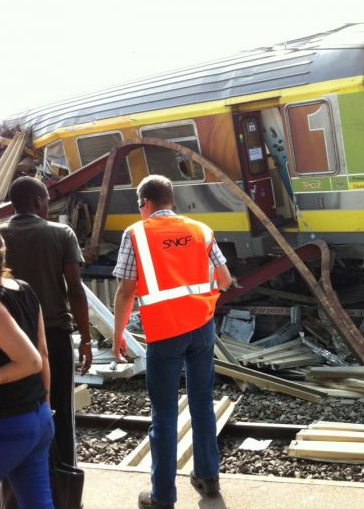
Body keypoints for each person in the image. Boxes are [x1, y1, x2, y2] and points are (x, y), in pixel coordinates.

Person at [112, 174, 232, 509]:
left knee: (163, 413)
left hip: (165, 334)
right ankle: (208, 479)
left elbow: (125, 292)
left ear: (145, 204)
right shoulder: (200, 230)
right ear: (171, 200)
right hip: (202, 329)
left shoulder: (135, 233)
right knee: (202, 402)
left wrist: (118, 333)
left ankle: (162, 496)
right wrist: (201, 302)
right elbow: (224, 279)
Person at [0, 176, 92, 468]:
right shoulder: (61, 233)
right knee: (59, 411)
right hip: (53, 334)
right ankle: (63, 480)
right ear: (38, 201)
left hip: (4, 343)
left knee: (8, 411)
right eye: (47, 201)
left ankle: (16, 485)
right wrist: (86, 339)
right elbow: (75, 289)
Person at [0, 228, 54, 509]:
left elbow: (31, 360)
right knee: (38, 503)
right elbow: (44, 352)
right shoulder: (24, 289)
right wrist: (45, 404)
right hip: (36, 419)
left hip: (5, 422)